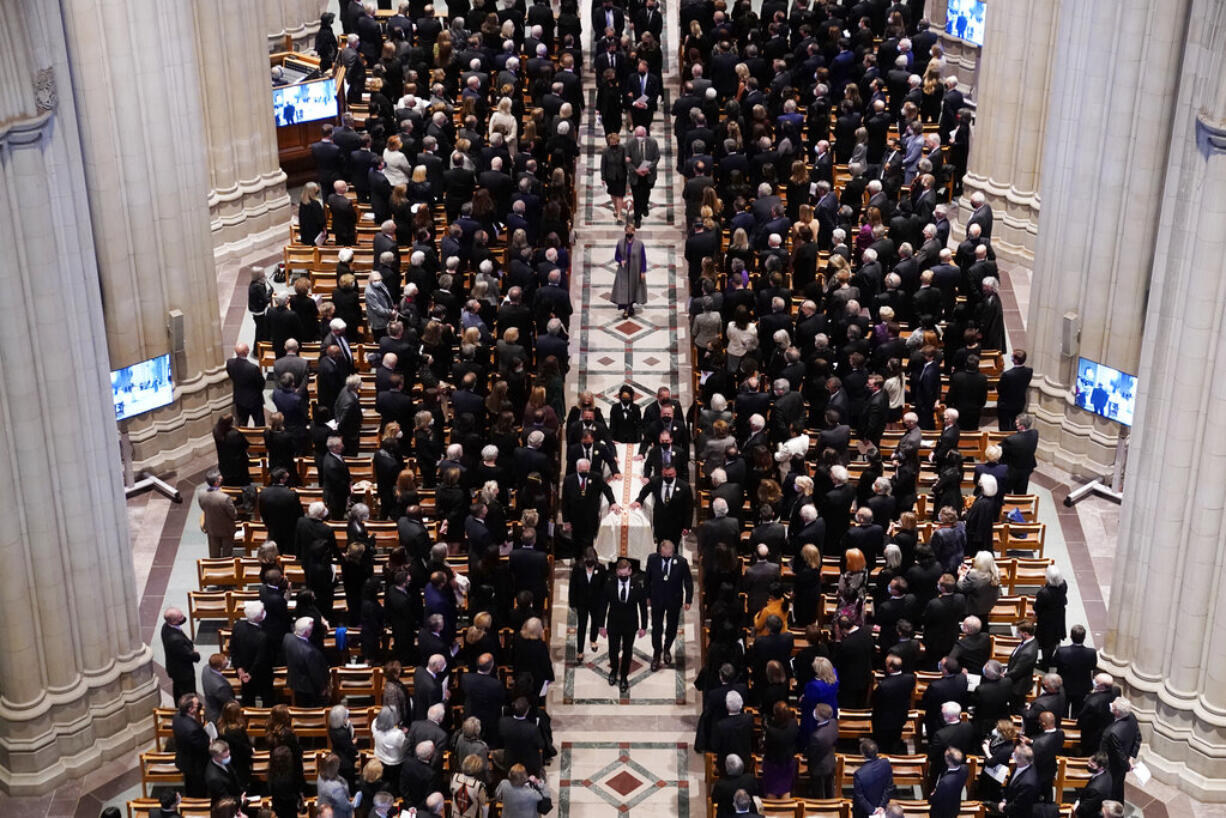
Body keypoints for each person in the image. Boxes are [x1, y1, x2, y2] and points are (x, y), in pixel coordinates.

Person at [598, 558, 648, 695]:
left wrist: (644, 626)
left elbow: (643, 607)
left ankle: (624, 676)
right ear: (617, 572)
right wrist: (601, 625)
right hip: (614, 623)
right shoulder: (609, 585)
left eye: (626, 575)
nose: (624, 577)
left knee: (627, 651)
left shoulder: (637, 585)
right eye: (621, 575)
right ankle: (614, 669)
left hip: (630, 625)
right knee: (613, 650)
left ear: (630, 571)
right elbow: (603, 606)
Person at [645, 539, 693, 671]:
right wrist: (647, 596)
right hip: (657, 599)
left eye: (669, 554)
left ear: (673, 552)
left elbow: (688, 582)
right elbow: (647, 579)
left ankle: (666, 648)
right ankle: (656, 653)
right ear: (660, 550)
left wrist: (688, 600)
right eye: (664, 554)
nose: (666, 556)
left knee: (672, 626)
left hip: (674, 600)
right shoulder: (652, 559)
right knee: (656, 627)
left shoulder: (681, 562)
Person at [569, 547, 607, 662]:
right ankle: (580, 650)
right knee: (582, 625)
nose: (590, 563)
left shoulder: (601, 568)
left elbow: (604, 588)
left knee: (595, 622)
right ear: (584, 559)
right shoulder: (578, 568)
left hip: (596, 602)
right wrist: (572, 603)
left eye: (592, 560)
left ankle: (593, 640)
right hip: (582, 602)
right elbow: (573, 586)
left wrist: (604, 603)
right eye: (588, 560)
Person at [283, 616, 330, 707]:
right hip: (308, 688)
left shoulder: (287, 637)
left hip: (295, 680)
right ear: (307, 632)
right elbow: (315, 674)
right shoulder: (310, 652)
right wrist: (322, 688)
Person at [1101, 697, 1141, 803]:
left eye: (1113, 706)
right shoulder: (1131, 716)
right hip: (1123, 763)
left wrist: (1128, 765)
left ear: (1117, 712)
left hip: (1113, 765)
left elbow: (1119, 754)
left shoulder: (1113, 732)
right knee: (1119, 788)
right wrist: (1131, 759)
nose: (1110, 705)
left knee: (1112, 790)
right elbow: (1138, 738)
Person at [172, 693, 210, 797]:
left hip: (184, 758)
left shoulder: (177, 716)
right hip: (195, 765)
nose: (199, 706)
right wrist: (209, 741)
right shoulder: (192, 729)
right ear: (190, 709)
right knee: (197, 789)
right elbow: (202, 746)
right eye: (197, 705)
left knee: (189, 784)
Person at [161, 606, 199, 702]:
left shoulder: (166, 626)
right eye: (180, 617)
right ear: (174, 621)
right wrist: (196, 654)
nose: (183, 617)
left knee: (178, 689)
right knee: (187, 694)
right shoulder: (175, 640)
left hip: (174, 668)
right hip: (183, 672)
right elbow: (189, 655)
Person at [625, 125, 660, 227]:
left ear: (645, 134)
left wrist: (648, 168)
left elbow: (656, 157)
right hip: (635, 176)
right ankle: (637, 218)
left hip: (648, 174)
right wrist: (636, 170)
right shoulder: (630, 144)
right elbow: (627, 161)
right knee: (636, 197)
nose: (639, 137)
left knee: (646, 193)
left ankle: (644, 206)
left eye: (641, 135)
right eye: (637, 135)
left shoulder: (653, 143)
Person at [611, 223, 648, 318]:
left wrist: (643, 271)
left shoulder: (640, 244)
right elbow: (616, 256)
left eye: (631, 231)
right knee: (624, 290)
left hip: (635, 271)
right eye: (627, 231)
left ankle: (630, 306)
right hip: (623, 272)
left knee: (633, 289)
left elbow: (643, 258)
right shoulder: (620, 243)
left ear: (634, 232)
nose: (629, 233)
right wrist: (620, 261)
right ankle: (626, 310)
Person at [200, 469, 238, 558]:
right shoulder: (225, 498)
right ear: (216, 483)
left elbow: (203, 508)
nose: (221, 478)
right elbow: (234, 515)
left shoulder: (201, 494)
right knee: (227, 552)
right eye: (219, 478)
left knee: (213, 551)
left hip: (211, 527)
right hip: (226, 528)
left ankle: (215, 565)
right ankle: (226, 565)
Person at [225, 343, 266, 426]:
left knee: (242, 423)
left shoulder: (230, 363)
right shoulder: (253, 368)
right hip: (254, 400)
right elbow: (261, 383)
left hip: (239, 398)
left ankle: (242, 438)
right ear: (246, 352)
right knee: (259, 423)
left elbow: (231, 376)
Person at [852, 739, 894, 818]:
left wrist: (873, 810)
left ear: (863, 754)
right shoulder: (886, 763)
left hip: (864, 813)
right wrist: (882, 806)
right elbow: (889, 787)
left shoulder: (859, 774)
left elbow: (859, 797)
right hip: (882, 809)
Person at [806, 703, 839, 798]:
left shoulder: (817, 736)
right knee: (830, 790)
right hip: (830, 762)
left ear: (819, 716)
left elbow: (811, 753)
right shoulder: (833, 722)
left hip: (819, 767)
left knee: (819, 794)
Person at [1001, 412, 1039, 494]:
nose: (1015, 423)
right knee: (1021, 492)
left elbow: (1001, 450)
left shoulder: (1010, 440)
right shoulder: (1035, 433)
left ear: (1021, 427)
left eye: (1017, 423)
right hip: (1027, 468)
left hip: (1012, 471)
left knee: (1006, 492)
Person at [999, 745, 1039, 817]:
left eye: (1015, 754)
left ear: (1021, 759)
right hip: (1010, 802)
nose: (1012, 755)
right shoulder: (1021, 765)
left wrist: (1004, 808)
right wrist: (1004, 799)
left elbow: (1018, 805)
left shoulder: (1028, 783)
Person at [929, 747, 968, 818]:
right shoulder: (965, 769)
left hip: (942, 813)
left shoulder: (945, 782)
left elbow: (935, 799)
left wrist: (932, 795)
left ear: (948, 761)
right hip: (955, 806)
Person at [601, 131, 628, 221]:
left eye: (615, 141)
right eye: (611, 141)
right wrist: (603, 178)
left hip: (621, 176)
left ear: (618, 141)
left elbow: (626, 162)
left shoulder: (623, 148)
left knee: (620, 195)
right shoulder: (605, 151)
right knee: (613, 194)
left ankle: (619, 214)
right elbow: (603, 165)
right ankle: (616, 208)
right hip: (610, 176)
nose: (613, 142)